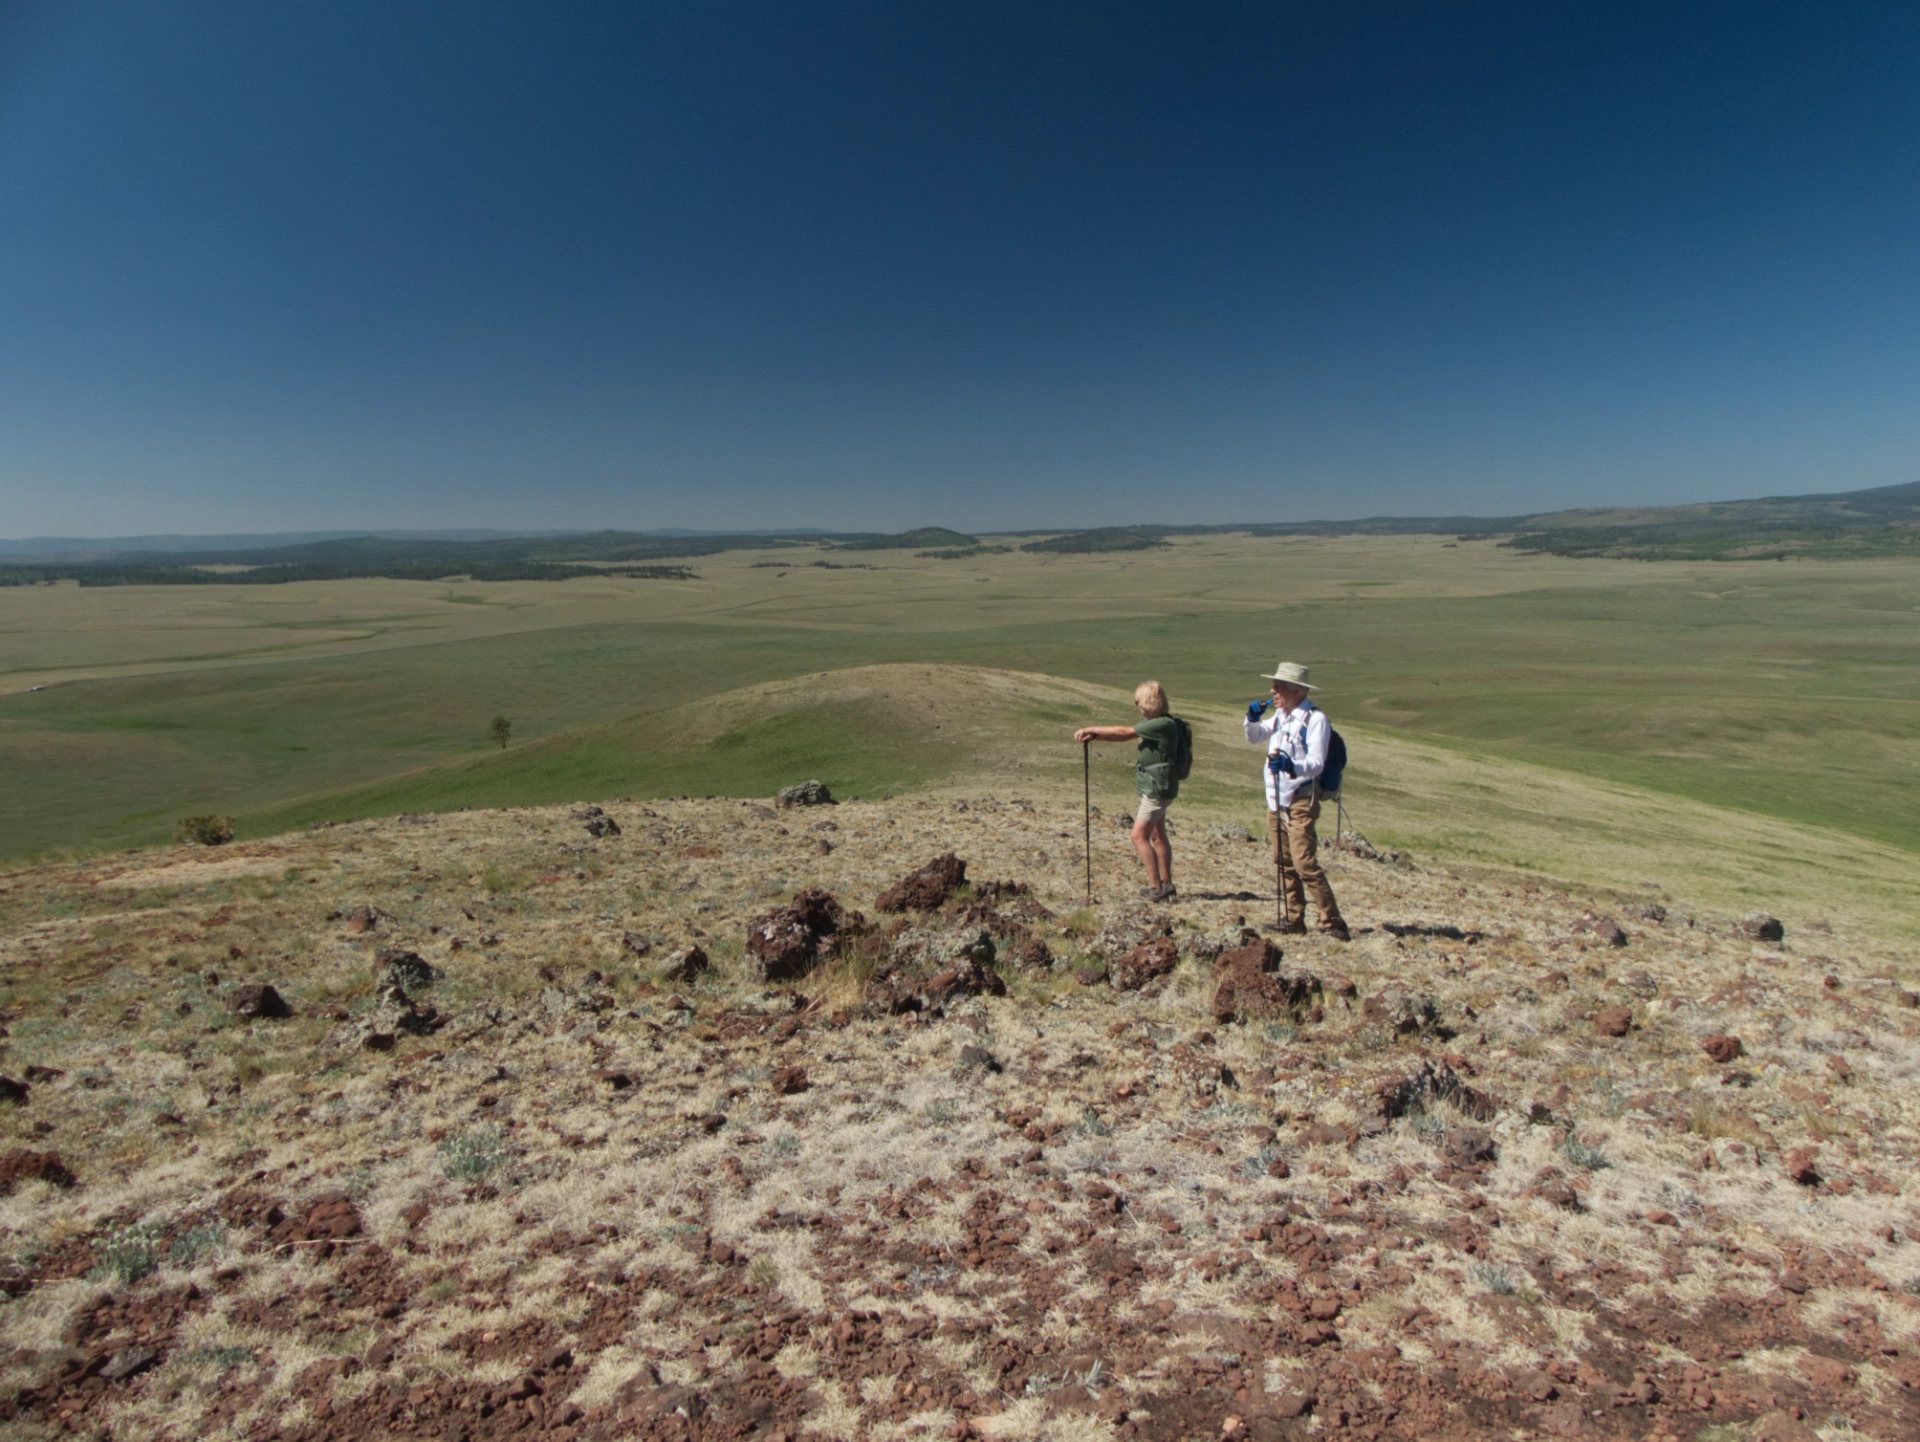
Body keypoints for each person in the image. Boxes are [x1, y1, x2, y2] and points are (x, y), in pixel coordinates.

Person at [1245, 662, 1350, 940]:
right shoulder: (1281, 715)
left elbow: (1316, 762)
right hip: (1275, 798)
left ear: (1296, 690)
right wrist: (1252, 719)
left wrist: (1292, 766)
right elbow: (1255, 737)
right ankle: (1293, 918)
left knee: (1303, 861)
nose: (1272, 690)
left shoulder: (1316, 720)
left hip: (1301, 796)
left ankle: (1333, 921)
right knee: (1283, 859)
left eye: (1278, 686)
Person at [1074, 681, 1184, 902]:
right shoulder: (1161, 723)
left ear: (1147, 702)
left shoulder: (1160, 725)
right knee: (1157, 834)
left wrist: (1092, 731)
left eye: (1138, 701)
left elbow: (1124, 732)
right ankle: (1167, 884)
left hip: (1156, 790)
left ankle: (1156, 887)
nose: (1137, 705)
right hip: (1158, 787)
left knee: (1138, 836)